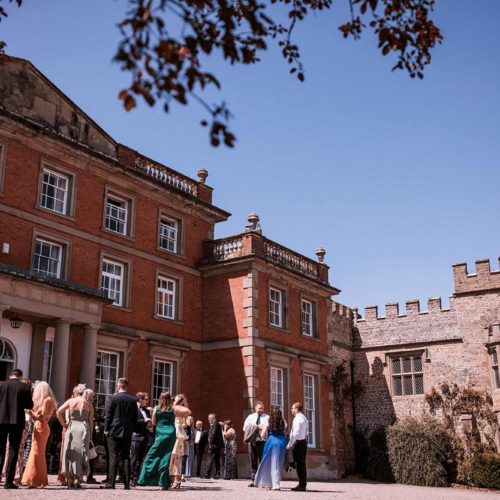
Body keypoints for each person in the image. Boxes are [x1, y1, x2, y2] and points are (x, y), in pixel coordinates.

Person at [138, 391, 188, 490]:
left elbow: (153, 423)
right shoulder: (173, 408)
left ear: (160, 399)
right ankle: (162, 484)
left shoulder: (156, 408)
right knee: (166, 457)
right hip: (170, 434)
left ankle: (144, 479)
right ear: (170, 399)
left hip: (160, 434)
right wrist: (176, 403)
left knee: (151, 456)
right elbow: (188, 411)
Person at [100, 378, 138, 490]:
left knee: (113, 457)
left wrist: (106, 429)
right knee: (126, 456)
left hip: (114, 430)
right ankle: (126, 484)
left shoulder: (113, 398)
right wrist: (133, 429)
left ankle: (111, 483)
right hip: (127, 431)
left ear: (118, 386)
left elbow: (109, 415)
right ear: (126, 386)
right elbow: (135, 417)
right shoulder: (132, 400)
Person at [0, 370, 33, 489]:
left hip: (1, 421)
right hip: (16, 422)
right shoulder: (24, 387)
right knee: (14, 451)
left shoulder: (1, 385)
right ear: (20, 377)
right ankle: (9, 481)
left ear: (10, 375)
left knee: (1, 449)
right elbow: (29, 405)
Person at [57, 383, 94, 489]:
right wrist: (90, 434)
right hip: (84, 428)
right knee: (82, 453)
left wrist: (63, 424)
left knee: (70, 452)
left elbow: (59, 412)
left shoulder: (70, 401)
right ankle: (78, 479)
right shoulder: (89, 403)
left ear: (76, 391)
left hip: (72, 427)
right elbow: (91, 421)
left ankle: (69, 480)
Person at [21, 381, 57, 488]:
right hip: (41, 426)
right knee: (38, 453)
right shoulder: (49, 400)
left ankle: (34, 479)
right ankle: (37, 479)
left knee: (36, 453)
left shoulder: (47, 400)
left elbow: (41, 417)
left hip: (41, 427)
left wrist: (31, 412)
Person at [254, 407, 288, 490]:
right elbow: (286, 427)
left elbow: (262, 435)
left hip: (272, 442)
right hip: (282, 442)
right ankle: (275, 483)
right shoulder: (282, 422)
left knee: (268, 462)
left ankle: (271, 483)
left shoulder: (268, 421)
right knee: (278, 463)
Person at [243, 401, 269, 487]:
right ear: (255, 408)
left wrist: (264, 427)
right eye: (259, 408)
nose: (261, 409)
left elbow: (269, 427)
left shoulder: (266, 417)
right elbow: (245, 428)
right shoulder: (250, 417)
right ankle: (254, 480)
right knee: (253, 460)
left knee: (262, 460)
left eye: (262, 408)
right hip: (253, 442)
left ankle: (263, 480)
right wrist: (256, 427)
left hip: (262, 442)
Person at [130, 392, 154, 486]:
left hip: (145, 436)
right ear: (140, 399)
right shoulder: (134, 409)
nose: (147, 402)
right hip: (136, 436)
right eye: (146, 399)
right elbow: (132, 422)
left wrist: (149, 423)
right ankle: (131, 478)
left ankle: (137, 478)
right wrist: (144, 421)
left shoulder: (146, 411)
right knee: (134, 458)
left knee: (141, 459)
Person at [169, 394, 191, 488]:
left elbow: (188, 412)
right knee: (175, 458)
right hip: (174, 432)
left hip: (178, 433)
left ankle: (176, 480)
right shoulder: (176, 408)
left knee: (175, 457)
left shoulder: (179, 408)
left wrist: (175, 403)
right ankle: (174, 480)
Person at [286, 402, 309, 492]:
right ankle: (302, 484)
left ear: (296, 409)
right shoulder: (304, 418)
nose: (291, 410)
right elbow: (306, 432)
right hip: (303, 442)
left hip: (299, 443)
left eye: (292, 408)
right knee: (301, 464)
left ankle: (302, 485)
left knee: (299, 464)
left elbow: (295, 433)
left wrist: (290, 444)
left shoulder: (297, 419)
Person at [204, 413, 223, 479]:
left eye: (209, 418)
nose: (208, 419)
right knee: (216, 460)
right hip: (217, 445)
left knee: (210, 459)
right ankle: (217, 474)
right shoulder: (215, 424)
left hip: (214, 445)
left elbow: (213, 434)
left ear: (213, 418)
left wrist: (210, 443)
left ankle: (207, 474)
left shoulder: (216, 424)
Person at [182, 415, 195, 479]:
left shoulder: (192, 428)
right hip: (184, 444)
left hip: (190, 445)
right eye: (190, 419)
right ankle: (184, 473)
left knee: (189, 459)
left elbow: (193, 437)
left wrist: (193, 442)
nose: (191, 421)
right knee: (184, 459)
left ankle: (188, 473)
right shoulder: (184, 427)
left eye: (192, 420)